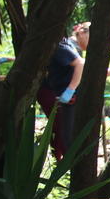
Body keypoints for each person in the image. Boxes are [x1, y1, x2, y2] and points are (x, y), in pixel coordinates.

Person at [36, 23, 89, 158]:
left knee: (66, 134)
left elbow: (80, 64)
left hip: (67, 96)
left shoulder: (60, 46)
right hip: (59, 95)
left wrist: (70, 90)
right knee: (63, 132)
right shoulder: (61, 45)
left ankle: (68, 163)